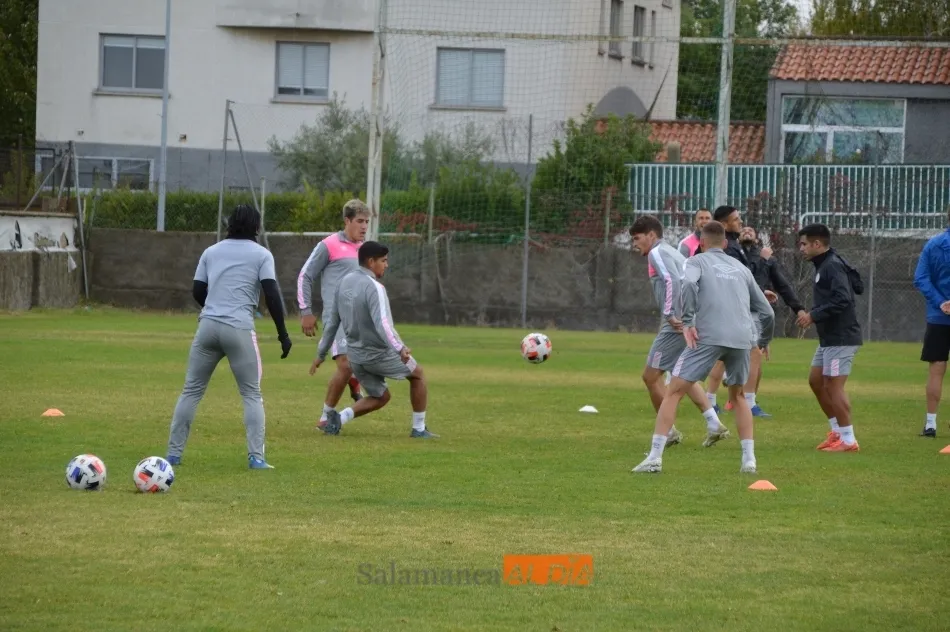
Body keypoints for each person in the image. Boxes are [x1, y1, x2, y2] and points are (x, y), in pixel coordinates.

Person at [633, 221, 774, 474]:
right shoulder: (742, 268)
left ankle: (654, 458)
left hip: (709, 334)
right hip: (742, 338)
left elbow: (686, 285)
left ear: (701, 244)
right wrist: (763, 342)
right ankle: (749, 461)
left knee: (674, 390)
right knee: (739, 396)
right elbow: (767, 312)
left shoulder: (695, 262)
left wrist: (687, 321)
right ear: (727, 243)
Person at [166, 205, 292, 470]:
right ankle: (256, 457)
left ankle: (173, 455)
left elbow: (197, 290)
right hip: (239, 328)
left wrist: (214, 308)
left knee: (191, 391)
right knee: (251, 394)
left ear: (230, 224)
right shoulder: (262, 255)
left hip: (208, 327)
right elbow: (271, 293)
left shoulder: (211, 251)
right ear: (257, 227)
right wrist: (283, 334)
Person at [311, 241, 437, 438]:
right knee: (418, 374)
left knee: (381, 397)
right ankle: (419, 429)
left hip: (356, 357)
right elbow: (383, 324)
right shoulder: (375, 287)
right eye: (384, 261)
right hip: (378, 354)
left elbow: (332, 322)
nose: (386, 265)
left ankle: (339, 418)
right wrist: (399, 348)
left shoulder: (343, 283)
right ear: (371, 262)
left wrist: (320, 354)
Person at [629, 215, 731, 447]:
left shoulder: (657, 253)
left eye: (637, 238)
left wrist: (670, 315)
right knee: (682, 374)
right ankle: (714, 424)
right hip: (690, 319)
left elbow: (672, 280)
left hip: (675, 325)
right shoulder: (670, 251)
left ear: (651, 235)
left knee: (650, 376)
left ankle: (668, 432)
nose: (635, 244)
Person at [297, 199, 368, 429]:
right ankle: (327, 416)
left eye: (367, 222)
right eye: (359, 221)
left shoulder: (366, 249)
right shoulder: (329, 245)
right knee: (345, 365)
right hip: (337, 318)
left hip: (362, 319)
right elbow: (305, 276)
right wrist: (306, 311)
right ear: (347, 221)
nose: (364, 226)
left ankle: (355, 382)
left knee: (359, 364)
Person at [795, 224, 863, 452]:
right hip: (829, 339)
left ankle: (848, 440)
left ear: (817, 244)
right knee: (816, 381)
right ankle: (836, 431)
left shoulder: (831, 266)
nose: (801, 248)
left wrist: (813, 315)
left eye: (804, 244)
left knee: (833, 386)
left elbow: (843, 298)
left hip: (841, 338)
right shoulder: (825, 264)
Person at [734, 225, 806, 417]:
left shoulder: (764, 257)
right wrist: (764, 262)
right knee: (738, 354)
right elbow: (745, 279)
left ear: (757, 237)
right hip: (734, 311)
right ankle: (729, 400)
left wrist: (797, 308)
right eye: (744, 230)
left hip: (755, 312)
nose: (747, 232)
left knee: (755, 356)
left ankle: (746, 401)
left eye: (751, 230)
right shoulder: (735, 254)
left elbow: (783, 285)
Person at [703, 205, 752, 414]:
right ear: (724, 225)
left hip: (735, 312)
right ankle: (724, 400)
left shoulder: (736, 245)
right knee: (726, 353)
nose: (741, 222)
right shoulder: (729, 248)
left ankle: (722, 400)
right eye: (736, 219)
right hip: (732, 314)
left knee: (726, 355)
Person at [912, 216, 950, 438]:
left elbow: (921, 278)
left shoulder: (934, 244)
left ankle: (931, 424)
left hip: (939, 316)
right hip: (939, 313)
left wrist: (941, 302)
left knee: (936, 368)